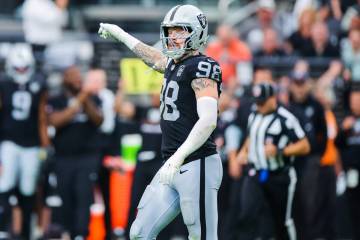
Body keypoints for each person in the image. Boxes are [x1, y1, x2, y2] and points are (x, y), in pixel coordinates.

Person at [98, 4, 223, 239]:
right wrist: (121, 34)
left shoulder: (203, 67)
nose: (172, 37)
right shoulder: (174, 64)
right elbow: (153, 58)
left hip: (197, 162)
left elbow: (208, 120)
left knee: (202, 236)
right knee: (139, 232)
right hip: (171, 164)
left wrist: (179, 156)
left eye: (180, 31)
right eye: (170, 31)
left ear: (197, 32)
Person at [236, 82, 310, 240]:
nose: (259, 105)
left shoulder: (285, 118)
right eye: (257, 102)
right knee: (246, 215)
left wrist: (280, 151)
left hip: (279, 176)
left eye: (262, 101)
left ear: (272, 98)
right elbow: (251, 136)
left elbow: (304, 146)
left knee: (282, 222)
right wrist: (243, 151)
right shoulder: (254, 114)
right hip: (256, 173)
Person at [47, 66, 103, 239]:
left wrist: (85, 100)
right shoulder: (56, 100)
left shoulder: (92, 98)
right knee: (66, 196)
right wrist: (79, 100)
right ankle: (69, 232)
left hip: (86, 157)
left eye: (80, 77)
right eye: (73, 77)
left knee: (83, 196)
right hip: (63, 158)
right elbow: (55, 121)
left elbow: (98, 119)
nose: (77, 81)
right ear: (65, 79)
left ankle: (81, 234)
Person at [0, 44, 50, 239]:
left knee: (28, 190)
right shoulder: (4, 84)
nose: (21, 71)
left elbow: (41, 117)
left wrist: (46, 144)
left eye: (24, 67)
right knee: (4, 184)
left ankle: (26, 232)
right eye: (18, 67)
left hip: (32, 143)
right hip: (9, 141)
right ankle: (3, 229)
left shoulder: (39, 84)